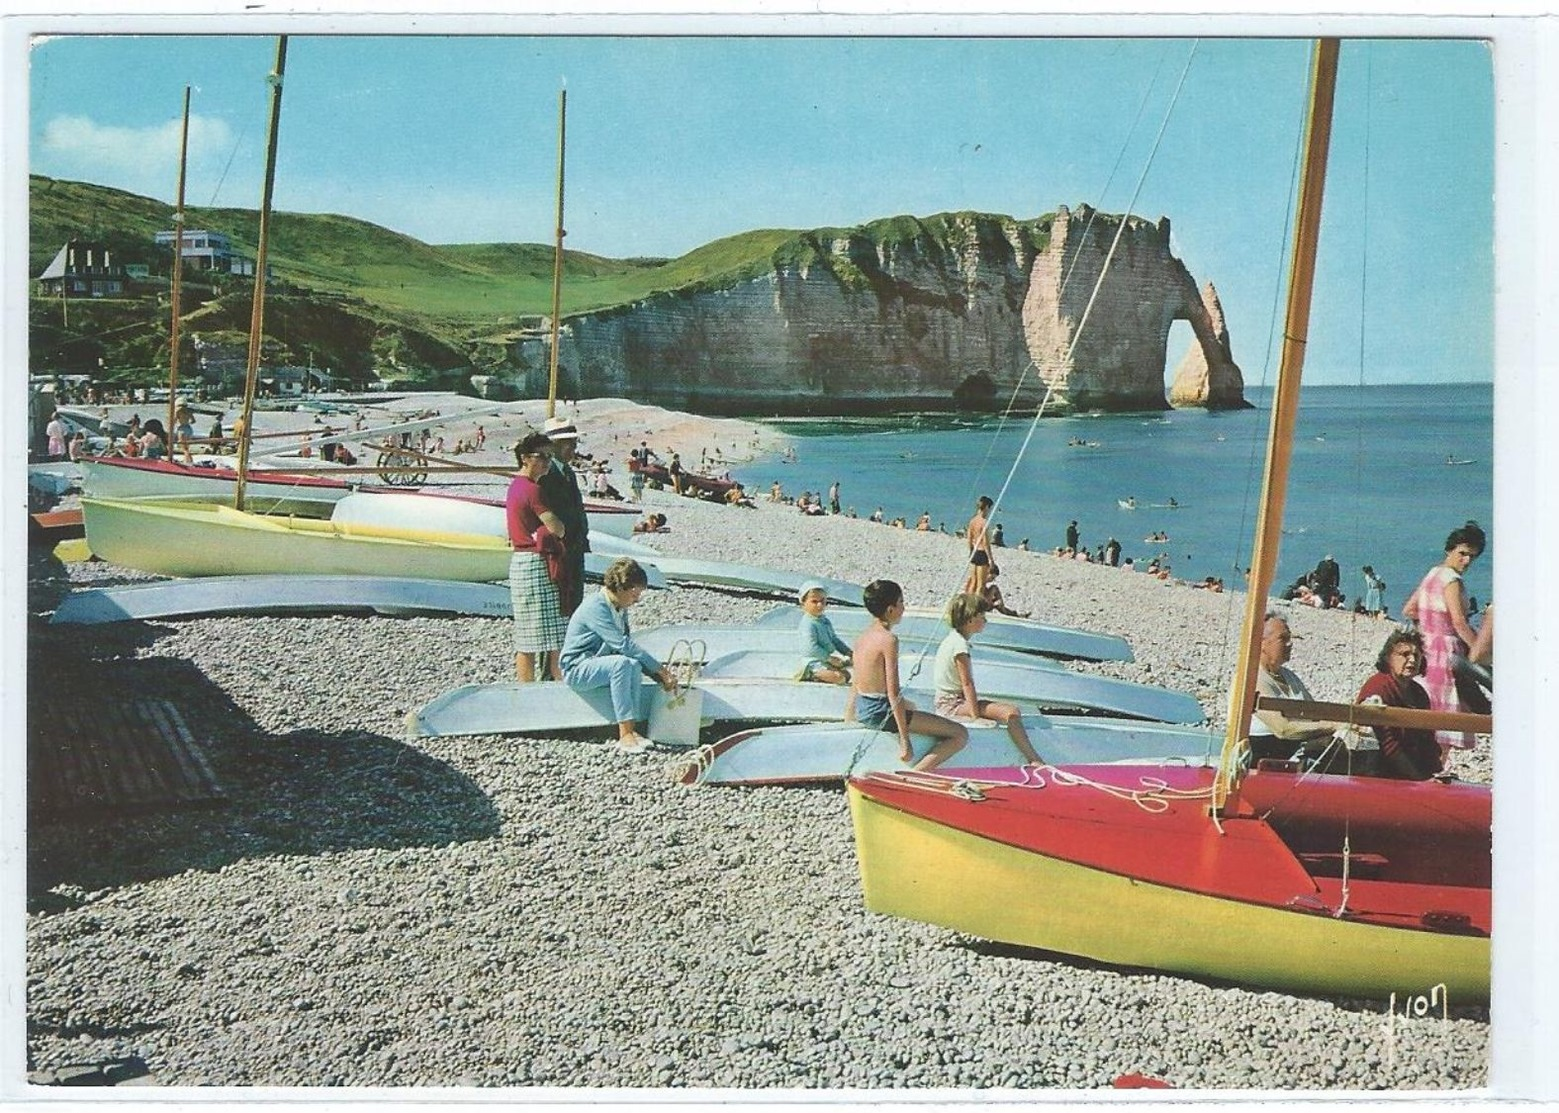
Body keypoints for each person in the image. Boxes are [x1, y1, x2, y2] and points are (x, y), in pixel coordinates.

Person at [560, 557, 676, 753]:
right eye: (634, 594)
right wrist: (661, 670)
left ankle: (634, 729)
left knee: (632, 664)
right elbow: (622, 644)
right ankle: (624, 734)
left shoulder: (619, 607)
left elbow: (630, 650)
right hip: (576, 668)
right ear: (621, 587)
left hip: (596, 663)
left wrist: (656, 677)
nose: (637, 599)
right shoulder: (596, 607)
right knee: (622, 663)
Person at [848, 579, 966, 771]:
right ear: (890, 610)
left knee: (913, 706)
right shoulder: (889, 640)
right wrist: (905, 740)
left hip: (864, 707)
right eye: (901, 602)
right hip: (879, 711)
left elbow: (856, 682)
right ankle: (916, 774)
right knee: (959, 734)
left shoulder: (863, 636)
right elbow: (893, 692)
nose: (904, 607)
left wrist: (850, 715)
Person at [1402, 520, 1486, 755]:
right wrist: (1480, 651)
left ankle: (1425, 776)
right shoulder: (1452, 580)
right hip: (1446, 654)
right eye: (1462, 554)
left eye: (1472, 556)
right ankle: (1436, 775)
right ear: (1449, 550)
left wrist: (1429, 626)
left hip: (1426, 649)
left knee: (1429, 715)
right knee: (1445, 723)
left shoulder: (1433, 573)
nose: (1467, 561)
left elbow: (1409, 609)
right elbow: (1459, 623)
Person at [934, 593, 1040, 765]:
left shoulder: (952, 639)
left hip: (948, 701)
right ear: (969, 621)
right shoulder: (960, 646)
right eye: (982, 616)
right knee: (1011, 713)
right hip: (952, 705)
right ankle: (1033, 759)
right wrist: (976, 716)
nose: (985, 621)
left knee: (1002, 709)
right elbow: (967, 683)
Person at [506, 432, 567, 683]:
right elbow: (556, 527)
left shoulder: (514, 486)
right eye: (540, 457)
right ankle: (562, 688)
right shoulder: (533, 490)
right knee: (556, 640)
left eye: (549, 457)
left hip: (520, 563)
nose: (546, 462)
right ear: (524, 458)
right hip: (537, 564)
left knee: (528, 638)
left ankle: (525, 690)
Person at [1246, 613, 1346, 767]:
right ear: (1262, 643)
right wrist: (1333, 726)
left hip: (1297, 750)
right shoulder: (1252, 678)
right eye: (1283, 639)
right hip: (1267, 758)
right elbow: (1283, 729)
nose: (1289, 644)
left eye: (1289, 638)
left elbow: (1315, 712)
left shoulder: (1289, 677)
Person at [1356, 630, 1441, 780]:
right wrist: (1419, 779)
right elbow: (1388, 743)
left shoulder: (1419, 693)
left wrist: (1437, 773)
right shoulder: (1377, 687)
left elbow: (1428, 739)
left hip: (1412, 769)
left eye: (1416, 655)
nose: (1412, 660)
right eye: (1404, 654)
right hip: (1380, 771)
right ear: (1389, 658)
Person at [539, 417, 590, 617]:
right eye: (570, 444)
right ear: (555, 446)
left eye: (575, 444)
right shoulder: (546, 474)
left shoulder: (568, 472)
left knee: (573, 601)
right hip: (558, 549)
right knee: (559, 605)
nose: (574, 449)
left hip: (575, 548)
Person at [795, 581, 852, 684]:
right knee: (839, 678)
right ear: (803, 604)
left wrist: (847, 652)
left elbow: (834, 639)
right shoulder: (808, 624)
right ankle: (812, 674)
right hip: (812, 661)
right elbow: (810, 648)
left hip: (824, 660)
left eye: (822, 601)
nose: (819, 605)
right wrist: (829, 658)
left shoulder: (824, 621)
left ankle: (825, 673)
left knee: (847, 675)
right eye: (814, 601)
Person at [963, 495, 995, 598]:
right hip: (982, 553)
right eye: (989, 508)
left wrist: (970, 551)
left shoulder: (973, 520)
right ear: (986, 507)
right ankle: (976, 608)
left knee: (973, 582)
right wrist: (990, 559)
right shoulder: (984, 522)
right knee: (980, 585)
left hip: (974, 552)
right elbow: (986, 543)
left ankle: (968, 606)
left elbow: (969, 538)